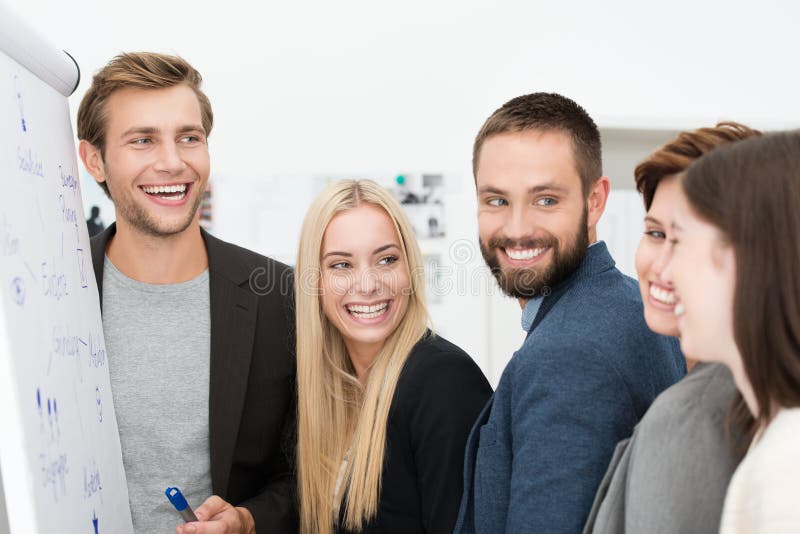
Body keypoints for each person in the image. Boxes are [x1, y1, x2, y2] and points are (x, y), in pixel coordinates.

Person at [77, 52, 297, 534]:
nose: (173, 162)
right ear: (94, 160)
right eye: (142, 140)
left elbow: (312, 471)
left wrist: (247, 520)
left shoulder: (280, 297)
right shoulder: (53, 297)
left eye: (189, 138)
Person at [454, 92, 685, 534]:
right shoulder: (632, 302)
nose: (517, 229)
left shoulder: (567, 356)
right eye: (497, 200)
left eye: (545, 200)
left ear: (595, 201)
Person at [584, 123, 760, 534]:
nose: (660, 265)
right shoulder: (748, 386)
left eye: (688, 241)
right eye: (655, 233)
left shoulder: (693, 413)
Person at [294, 179, 491, 534]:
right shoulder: (332, 390)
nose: (368, 284)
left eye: (386, 259)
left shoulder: (443, 381)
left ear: (409, 270)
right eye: (342, 265)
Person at [664, 131, 800, 533]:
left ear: (744, 255)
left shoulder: (788, 463)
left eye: (678, 241)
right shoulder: (776, 441)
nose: (667, 274)